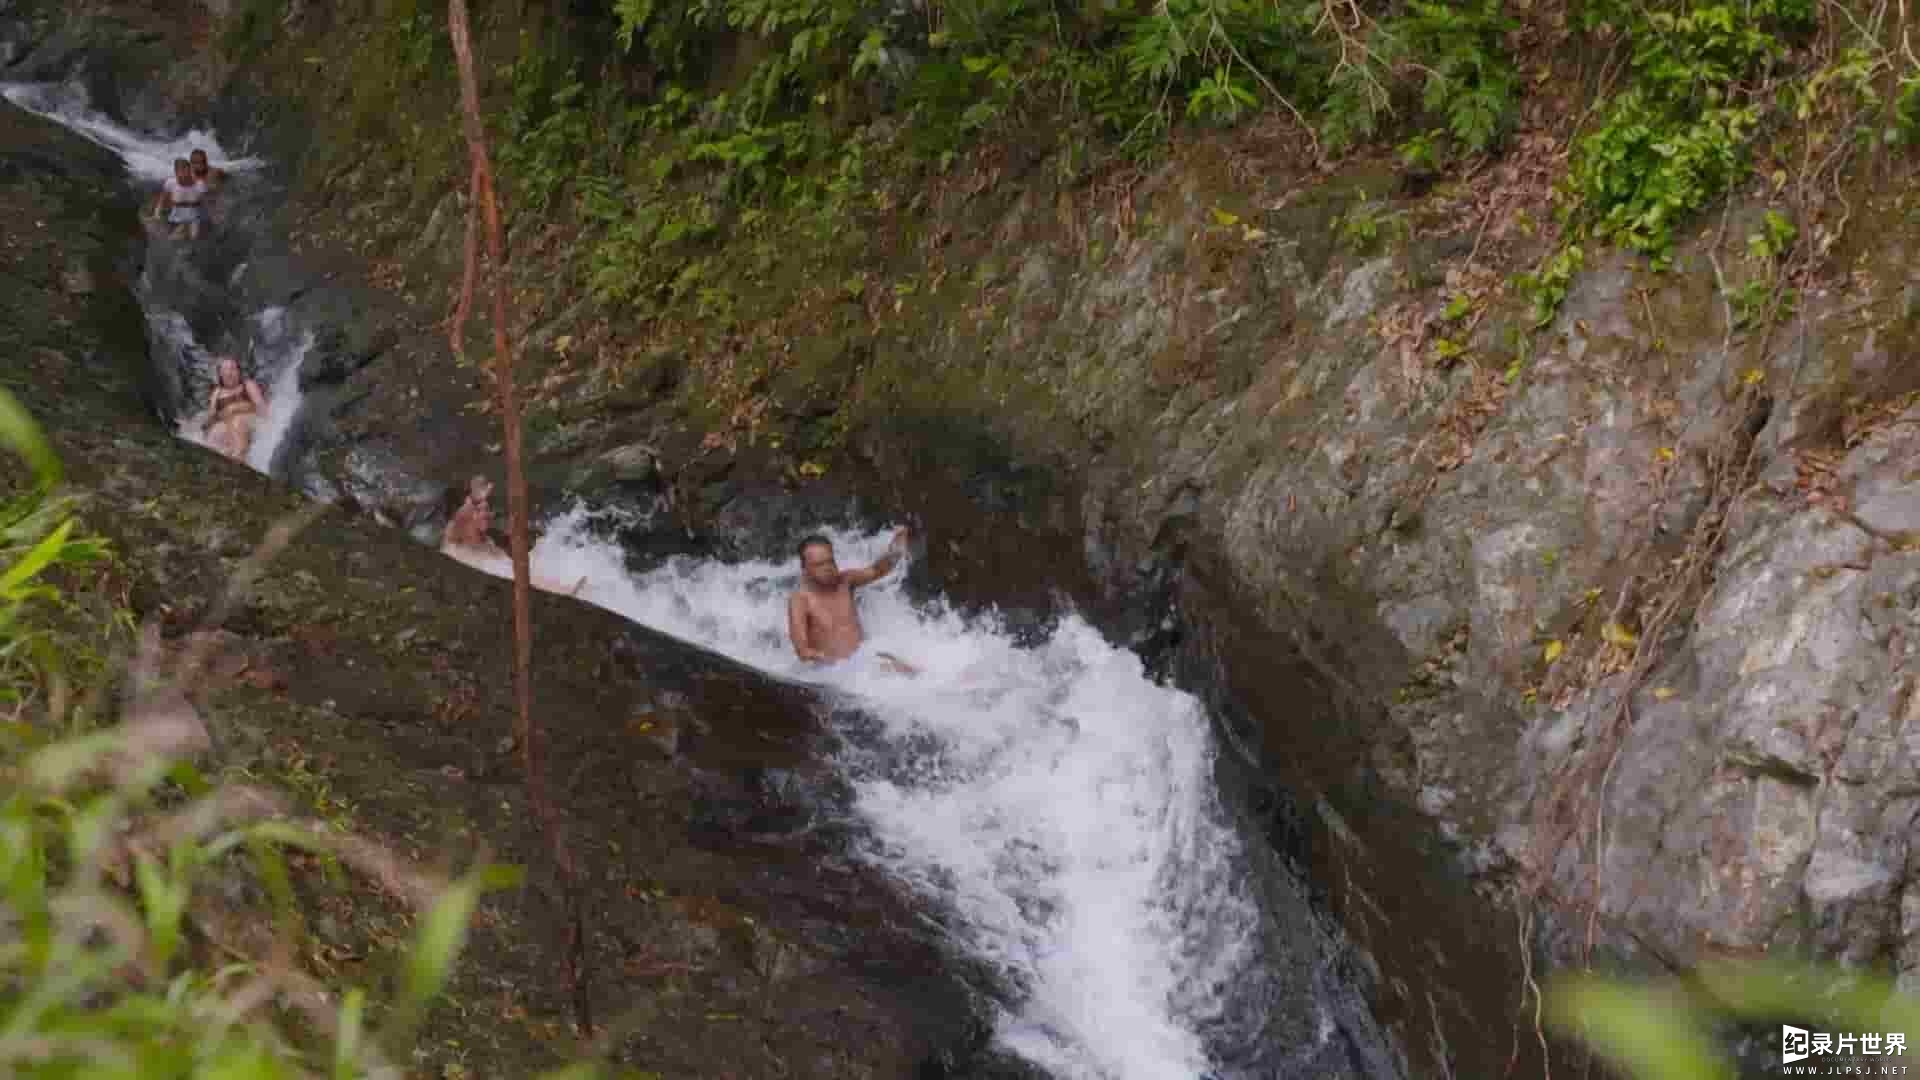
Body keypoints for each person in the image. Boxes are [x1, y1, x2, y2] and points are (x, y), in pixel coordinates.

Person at [788, 528, 917, 673]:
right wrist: (828, 659)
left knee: (909, 669)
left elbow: (877, 570)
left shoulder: (846, 580)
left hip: (862, 659)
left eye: (830, 562)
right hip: (834, 670)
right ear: (804, 569)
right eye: (819, 565)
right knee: (891, 669)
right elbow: (802, 650)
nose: (828, 568)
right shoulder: (799, 599)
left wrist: (896, 549)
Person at [440, 475, 586, 597]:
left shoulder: (488, 540)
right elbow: (457, 520)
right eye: (478, 510)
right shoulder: (453, 542)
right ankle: (566, 590)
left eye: (486, 508)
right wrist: (473, 499)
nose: (486, 514)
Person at [200, 356, 266, 462]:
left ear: (239, 372)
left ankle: (240, 460)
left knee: (237, 422)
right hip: (228, 426)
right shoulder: (216, 393)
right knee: (215, 433)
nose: (229, 373)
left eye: (233, 369)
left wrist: (238, 407)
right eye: (225, 370)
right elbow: (211, 418)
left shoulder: (247, 385)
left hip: (250, 423)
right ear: (220, 374)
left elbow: (262, 409)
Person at [151, 157, 208, 240]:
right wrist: (157, 211)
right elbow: (162, 199)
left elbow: (206, 202)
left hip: (195, 217)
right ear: (176, 172)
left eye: (186, 171)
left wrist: (212, 216)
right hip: (176, 217)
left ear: (190, 170)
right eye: (180, 171)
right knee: (175, 239)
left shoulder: (199, 184)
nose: (184, 174)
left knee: (194, 237)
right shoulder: (170, 182)